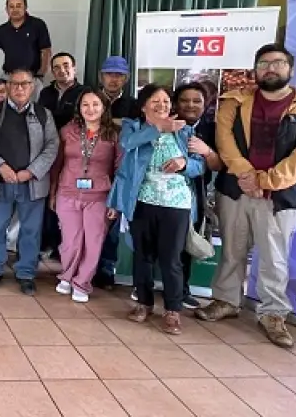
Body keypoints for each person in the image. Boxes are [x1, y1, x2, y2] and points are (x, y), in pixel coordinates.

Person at [196, 44, 296, 348]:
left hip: (281, 195)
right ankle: (226, 300)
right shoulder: (234, 101)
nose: (270, 68)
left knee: (274, 256)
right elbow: (225, 142)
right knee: (232, 249)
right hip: (236, 189)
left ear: (290, 69)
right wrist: (247, 176)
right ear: (255, 69)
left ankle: (272, 313)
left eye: (278, 63)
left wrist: (266, 181)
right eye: (264, 63)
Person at [108, 84, 206, 335]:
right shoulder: (133, 127)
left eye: (166, 101)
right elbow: (128, 144)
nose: (162, 106)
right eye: (155, 101)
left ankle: (173, 310)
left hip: (176, 204)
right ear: (143, 106)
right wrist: (159, 128)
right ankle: (144, 302)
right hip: (142, 200)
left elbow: (200, 165)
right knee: (143, 256)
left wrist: (184, 163)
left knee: (171, 259)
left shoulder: (184, 130)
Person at [0, 69, 58, 295]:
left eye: (25, 84)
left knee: (31, 231)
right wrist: (1, 166)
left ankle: (26, 274)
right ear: (8, 87)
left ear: (32, 87)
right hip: (0, 181)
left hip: (31, 184)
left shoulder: (43, 114)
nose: (20, 88)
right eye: (15, 84)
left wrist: (31, 172)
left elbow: (52, 146)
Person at [49, 89, 120, 303]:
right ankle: (67, 276)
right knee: (70, 241)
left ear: (104, 107)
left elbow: (119, 169)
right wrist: (53, 193)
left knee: (93, 242)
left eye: (95, 104)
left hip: (100, 196)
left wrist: (116, 202)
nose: (90, 109)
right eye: (85, 105)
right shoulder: (67, 131)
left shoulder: (114, 134)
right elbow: (57, 164)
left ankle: (82, 283)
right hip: (67, 192)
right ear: (79, 108)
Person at [173, 82, 222, 309]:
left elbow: (219, 165)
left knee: (187, 239)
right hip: (163, 193)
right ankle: (144, 287)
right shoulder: (166, 125)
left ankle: (182, 290)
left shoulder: (214, 129)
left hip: (196, 193)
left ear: (205, 104)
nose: (190, 105)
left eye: (196, 101)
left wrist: (206, 151)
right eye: (184, 100)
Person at [94, 54, 139, 290]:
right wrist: (119, 124)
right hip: (92, 166)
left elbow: (136, 133)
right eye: (109, 74)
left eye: (119, 75)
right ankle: (85, 265)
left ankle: (106, 269)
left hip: (121, 170)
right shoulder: (91, 99)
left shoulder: (134, 104)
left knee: (112, 222)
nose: (113, 79)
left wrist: (115, 124)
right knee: (89, 221)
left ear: (126, 78)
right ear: (101, 76)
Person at [37, 52, 86, 261]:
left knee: (67, 200)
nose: (61, 70)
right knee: (47, 196)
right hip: (47, 150)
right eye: (56, 67)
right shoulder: (45, 93)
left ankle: (63, 246)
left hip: (73, 153)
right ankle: (46, 242)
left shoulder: (85, 93)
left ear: (74, 68)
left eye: (66, 65)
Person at [0, 0, 51, 100]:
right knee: (7, 108)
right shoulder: (2, 30)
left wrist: (41, 74)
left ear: (25, 7)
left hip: (31, 78)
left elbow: (46, 50)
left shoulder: (37, 25)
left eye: (18, 6)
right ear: (6, 9)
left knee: (32, 108)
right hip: (9, 78)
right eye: (11, 6)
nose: (15, 9)